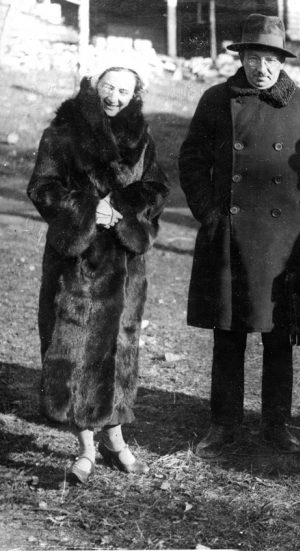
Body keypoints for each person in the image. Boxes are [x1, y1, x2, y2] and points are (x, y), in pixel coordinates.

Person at [179, 14, 300, 458]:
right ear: (242, 58)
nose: (261, 68)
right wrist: (210, 213)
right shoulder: (216, 99)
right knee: (228, 332)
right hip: (229, 234)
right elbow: (191, 160)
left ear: (281, 61)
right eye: (253, 58)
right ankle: (224, 423)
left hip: (286, 238)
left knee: (278, 335)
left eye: (269, 60)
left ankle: (277, 424)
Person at [28, 63, 169, 484]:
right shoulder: (61, 133)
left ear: (134, 95)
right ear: (94, 86)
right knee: (73, 347)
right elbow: (43, 188)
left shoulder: (141, 138)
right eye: (108, 87)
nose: (114, 97)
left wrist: (122, 210)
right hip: (75, 263)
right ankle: (86, 445)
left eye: (124, 91)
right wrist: (90, 211)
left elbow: (157, 190)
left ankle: (115, 438)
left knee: (120, 348)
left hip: (124, 265)